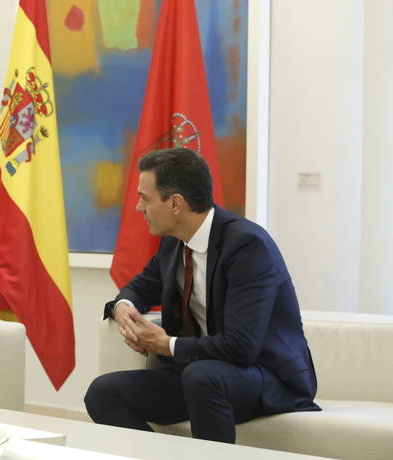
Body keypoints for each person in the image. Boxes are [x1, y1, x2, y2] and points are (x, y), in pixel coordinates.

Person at [85, 148, 320, 443]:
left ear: (175, 204)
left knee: (202, 376)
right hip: (203, 374)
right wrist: (124, 308)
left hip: (265, 375)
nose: (137, 208)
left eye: (144, 198)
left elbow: (241, 347)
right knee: (103, 393)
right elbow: (140, 288)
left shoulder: (247, 246)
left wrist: (166, 344)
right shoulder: (173, 245)